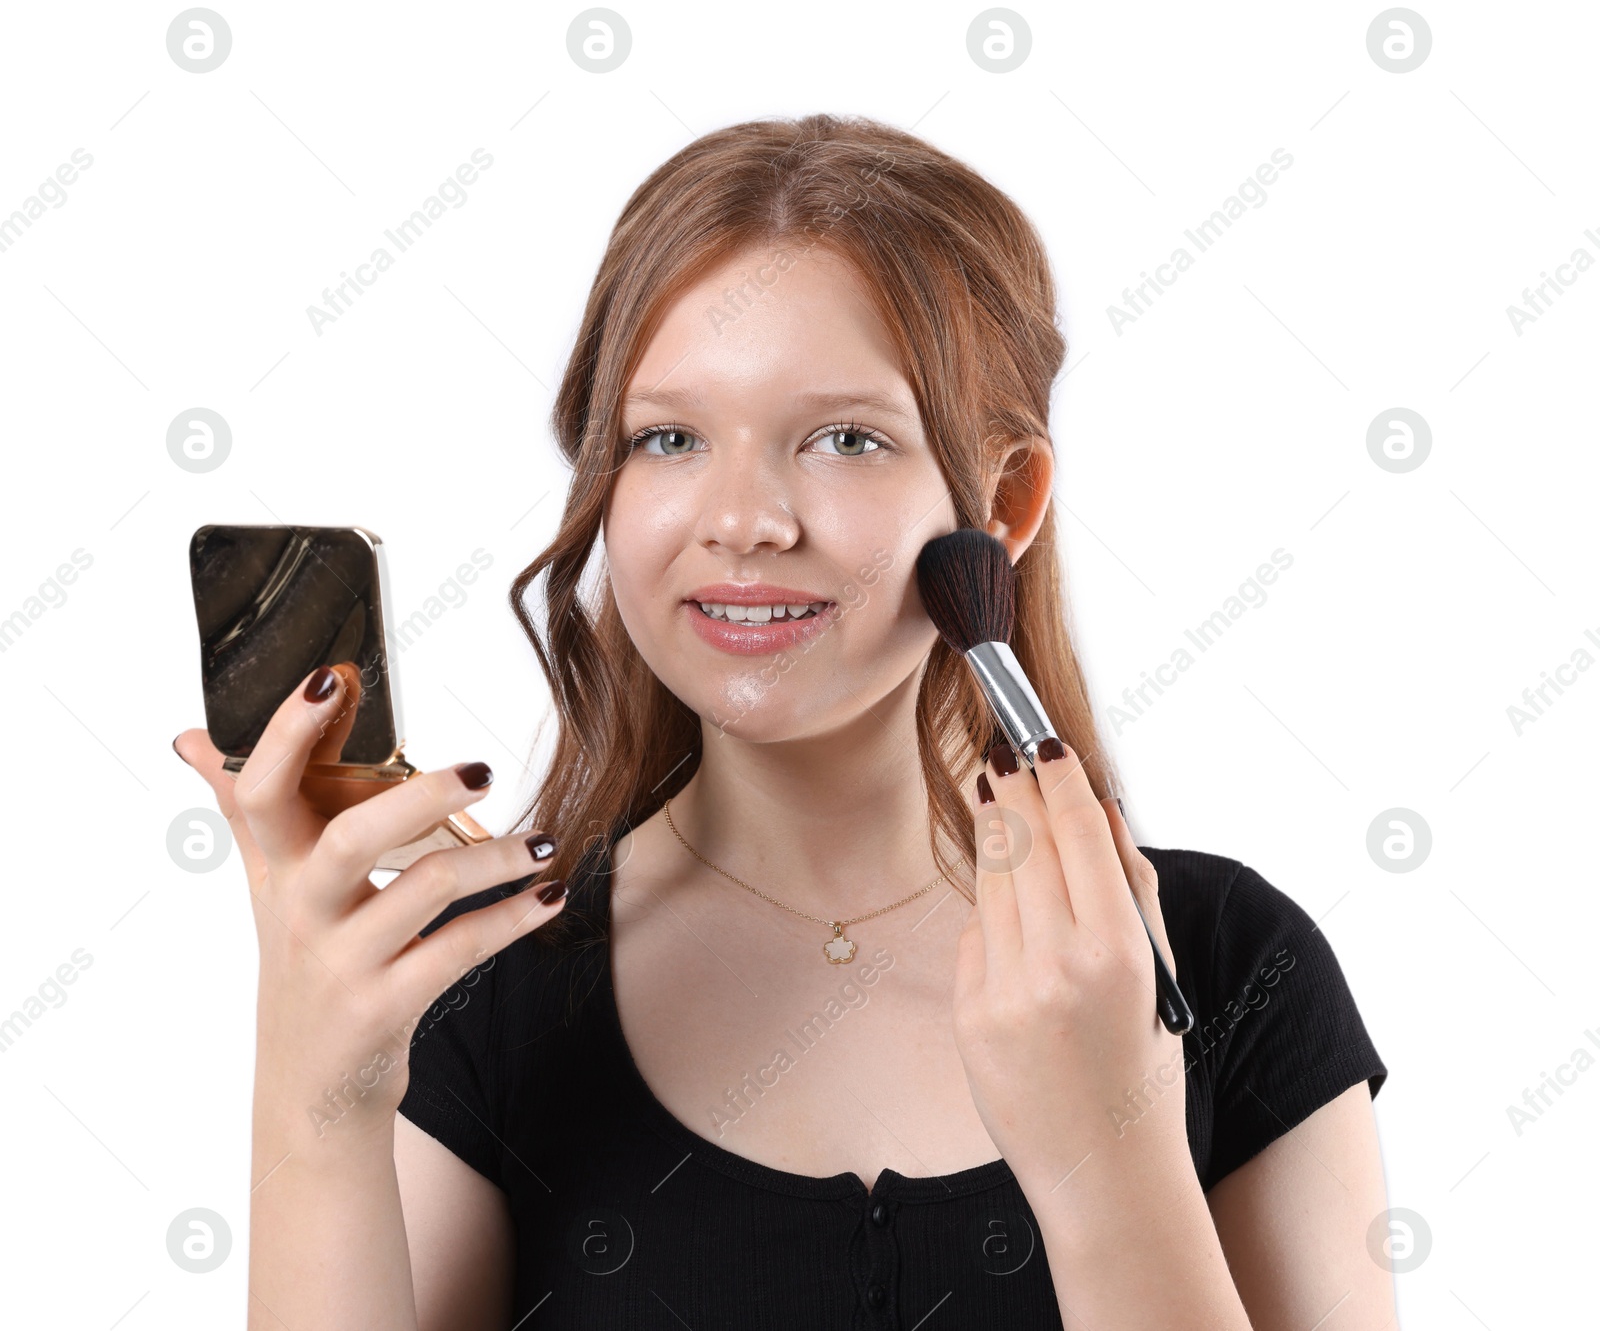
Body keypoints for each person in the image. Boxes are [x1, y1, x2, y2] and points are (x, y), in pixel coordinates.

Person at [175, 113, 1392, 1329]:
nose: (743, 518)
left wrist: (1107, 1153)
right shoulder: (486, 992)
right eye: (669, 438)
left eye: (845, 438)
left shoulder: (1228, 966)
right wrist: (316, 1091)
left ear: (1005, 502)